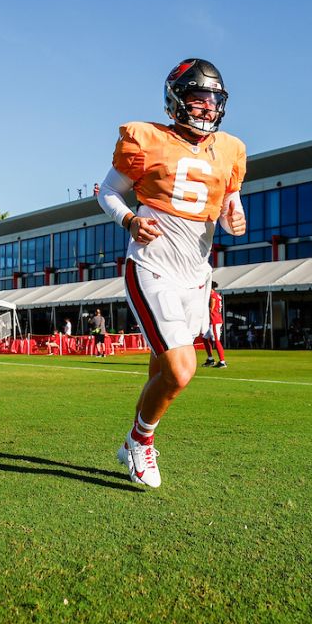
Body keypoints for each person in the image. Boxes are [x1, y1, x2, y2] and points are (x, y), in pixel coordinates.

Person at [97, 57, 247, 488]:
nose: (207, 109)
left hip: (197, 274)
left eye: (213, 101)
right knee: (181, 370)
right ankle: (140, 440)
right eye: (198, 100)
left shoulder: (230, 149)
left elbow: (228, 197)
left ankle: (135, 439)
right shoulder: (146, 140)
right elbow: (108, 192)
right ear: (177, 101)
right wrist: (129, 220)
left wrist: (234, 214)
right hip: (153, 265)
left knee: (162, 367)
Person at [201, 281, 227, 368]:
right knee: (205, 337)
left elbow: (211, 309)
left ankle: (222, 361)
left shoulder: (212, 296)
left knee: (216, 340)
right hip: (214, 321)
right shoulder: (217, 295)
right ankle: (210, 359)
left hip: (214, 321)